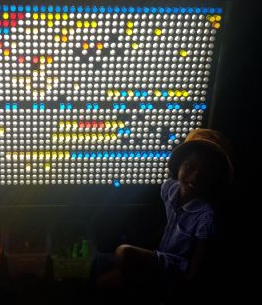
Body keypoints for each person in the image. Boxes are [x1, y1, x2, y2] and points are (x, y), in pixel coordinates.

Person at [96, 128, 234, 303]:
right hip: (162, 257)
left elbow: (198, 266)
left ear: (216, 177)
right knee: (99, 263)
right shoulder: (170, 189)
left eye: (206, 172)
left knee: (124, 253)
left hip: (177, 270)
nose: (195, 177)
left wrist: (181, 291)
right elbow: (171, 224)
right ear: (179, 164)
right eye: (189, 166)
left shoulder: (207, 216)